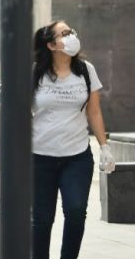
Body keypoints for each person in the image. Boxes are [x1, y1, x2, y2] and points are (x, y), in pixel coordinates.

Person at [32, 20, 116, 259]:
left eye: (71, 32)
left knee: (76, 211)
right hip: (40, 157)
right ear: (51, 45)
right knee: (41, 218)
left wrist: (104, 146)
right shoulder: (36, 73)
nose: (71, 36)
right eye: (64, 33)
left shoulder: (86, 70)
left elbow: (94, 111)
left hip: (77, 156)